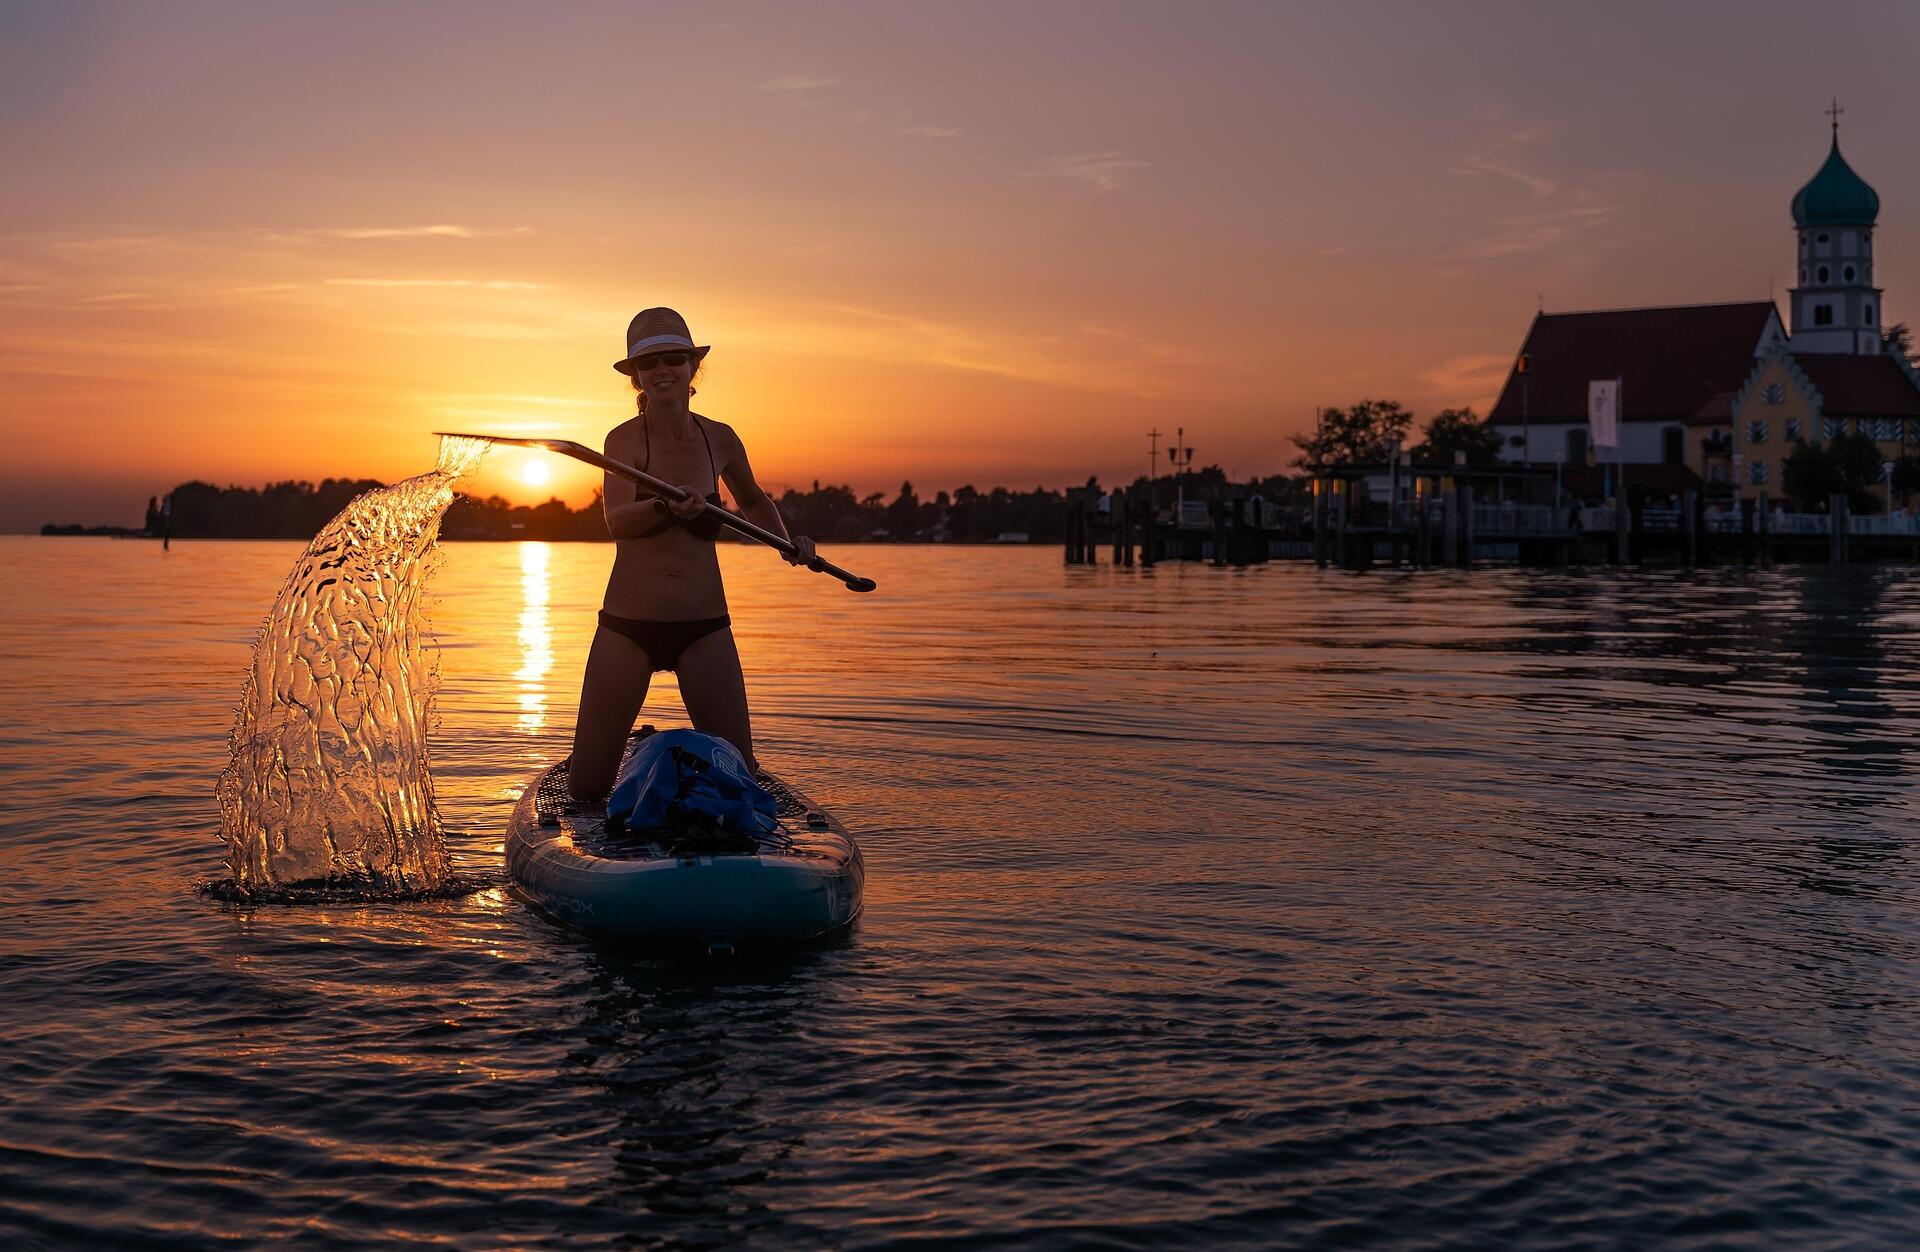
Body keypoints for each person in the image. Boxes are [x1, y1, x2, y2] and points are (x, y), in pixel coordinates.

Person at [568, 308, 815, 801]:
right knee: (586, 789)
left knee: (740, 777)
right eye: (649, 363)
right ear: (636, 377)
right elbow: (618, 521)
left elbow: (753, 502)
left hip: (705, 628)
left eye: (673, 359)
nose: (662, 370)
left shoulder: (720, 437)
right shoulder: (623, 439)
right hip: (627, 628)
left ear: (692, 367)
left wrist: (788, 545)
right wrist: (665, 504)